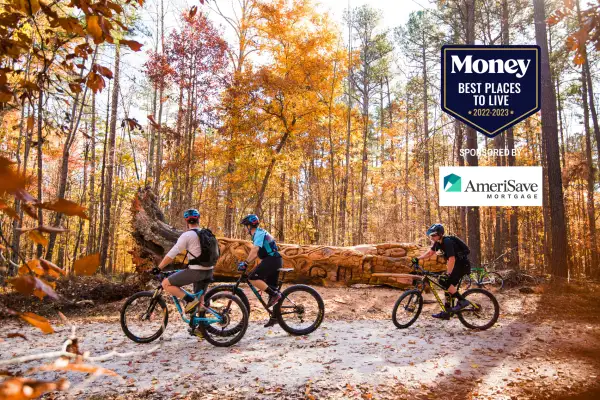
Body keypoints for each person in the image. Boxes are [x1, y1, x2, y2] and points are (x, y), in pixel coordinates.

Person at [154, 209, 213, 314]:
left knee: (166, 284)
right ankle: (200, 327)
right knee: (201, 304)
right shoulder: (206, 234)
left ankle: (190, 301)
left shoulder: (187, 235)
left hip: (196, 272)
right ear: (198, 220)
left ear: (186, 222)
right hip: (209, 271)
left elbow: (171, 254)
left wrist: (159, 267)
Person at [413, 223, 471, 319]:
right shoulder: (438, 243)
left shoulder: (447, 242)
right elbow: (430, 253)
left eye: (434, 235)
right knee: (444, 283)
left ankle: (462, 301)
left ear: (440, 234)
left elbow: (452, 259)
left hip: (462, 265)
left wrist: (448, 273)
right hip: (456, 265)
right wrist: (418, 259)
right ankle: (447, 312)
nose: (432, 237)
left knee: (445, 281)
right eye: (431, 235)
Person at [237, 214, 283, 327]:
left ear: (249, 226)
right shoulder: (260, 233)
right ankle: (275, 317)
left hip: (272, 260)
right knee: (272, 288)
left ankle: (275, 295)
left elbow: (255, 250)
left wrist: (246, 263)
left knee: (252, 278)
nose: (244, 228)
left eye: (245, 226)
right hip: (274, 260)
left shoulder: (258, 233)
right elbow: (259, 253)